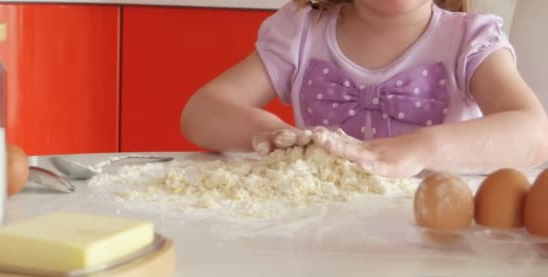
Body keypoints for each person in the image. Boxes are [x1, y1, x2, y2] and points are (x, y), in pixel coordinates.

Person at [180, 0, 548, 178]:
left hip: (437, 242)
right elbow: (202, 111)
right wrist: (279, 137)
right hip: (321, 233)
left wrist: (420, 149)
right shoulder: (303, 31)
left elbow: (534, 134)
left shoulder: (469, 40)